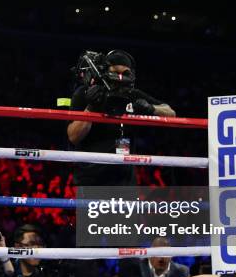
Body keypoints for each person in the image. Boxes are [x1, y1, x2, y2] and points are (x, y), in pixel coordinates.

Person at [67, 50, 175, 186]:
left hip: (124, 178)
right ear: (106, 71)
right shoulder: (85, 93)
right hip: (91, 179)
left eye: (125, 73)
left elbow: (171, 112)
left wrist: (151, 108)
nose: (120, 78)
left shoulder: (132, 94)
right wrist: (91, 107)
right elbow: (73, 136)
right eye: (115, 72)